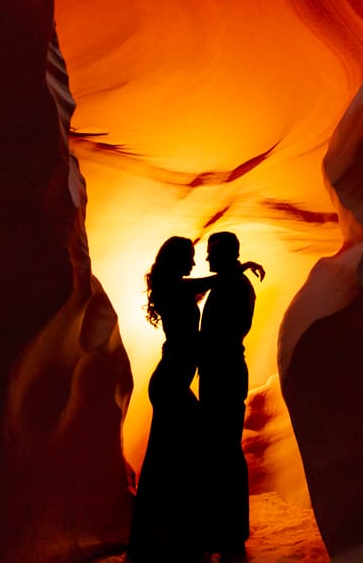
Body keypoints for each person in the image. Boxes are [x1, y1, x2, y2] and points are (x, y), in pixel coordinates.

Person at [127, 236, 262, 562]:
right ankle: (176, 538)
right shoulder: (176, 287)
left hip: (185, 381)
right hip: (172, 383)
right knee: (178, 456)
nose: (197, 260)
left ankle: (181, 537)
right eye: (189, 257)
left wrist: (236, 270)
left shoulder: (186, 286)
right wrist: (237, 267)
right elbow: (208, 284)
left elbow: (219, 327)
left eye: (205, 254)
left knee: (179, 456)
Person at [197, 231, 257, 558]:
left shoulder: (232, 286)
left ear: (224, 254)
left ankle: (229, 533)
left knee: (224, 451)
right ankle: (227, 530)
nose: (207, 259)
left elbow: (220, 334)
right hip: (224, 372)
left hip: (224, 374)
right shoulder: (233, 282)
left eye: (211, 253)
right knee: (223, 451)